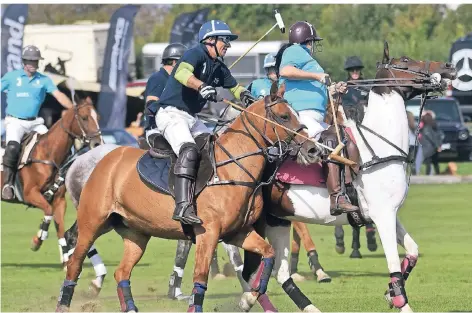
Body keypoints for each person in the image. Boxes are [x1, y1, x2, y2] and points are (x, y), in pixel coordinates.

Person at [152, 20, 255, 225]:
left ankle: (206, 195)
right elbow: (181, 73)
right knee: (189, 150)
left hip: (192, 117)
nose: (228, 45)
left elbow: (234, 87)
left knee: (214, 148)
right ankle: (182, 206)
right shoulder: (195, 53)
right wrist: (201, 86)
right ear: (210, 40)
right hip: (171, 114)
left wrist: (246, 96)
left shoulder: (219, 67)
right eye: (224, 40)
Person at [276, 21, 356, 216]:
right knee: (331, 142)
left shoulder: (306, 59)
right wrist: (317, 76)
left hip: (314, 116)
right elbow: (285, 71)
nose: (313, 46)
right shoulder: (294, 50)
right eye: (312, 42)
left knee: (346, 137)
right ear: (306, 41)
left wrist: (333, 89)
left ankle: (350, 190)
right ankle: (336, 197)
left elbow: (316, 88)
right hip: (300, 117)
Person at [1, 45, 73, 200]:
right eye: (29, 60)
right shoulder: (12, 77)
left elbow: (58, 95)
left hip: (35, 122)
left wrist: (73, 109)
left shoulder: (44, 80)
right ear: (23, 61)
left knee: (55, 144)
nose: (32, 64)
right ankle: (8, 184)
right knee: (13, 147)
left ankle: (57, 182)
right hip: (15, 121)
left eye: (35, 61)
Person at [143, 43, 188, 136]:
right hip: (157, 130)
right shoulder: (158, 78)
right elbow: (151, 107)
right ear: (175, 62)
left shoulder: (175, 80)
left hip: (176, 126)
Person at [420, 111, 443, 175]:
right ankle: (437, 174)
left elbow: (431, 138)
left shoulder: (426, 127)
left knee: (428, 163)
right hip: (434, 148)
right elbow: (439, 136)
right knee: (435, 162)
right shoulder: (435, 125)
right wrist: (439, 145)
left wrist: (437, 146)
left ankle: (428, 176)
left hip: (428, 148)